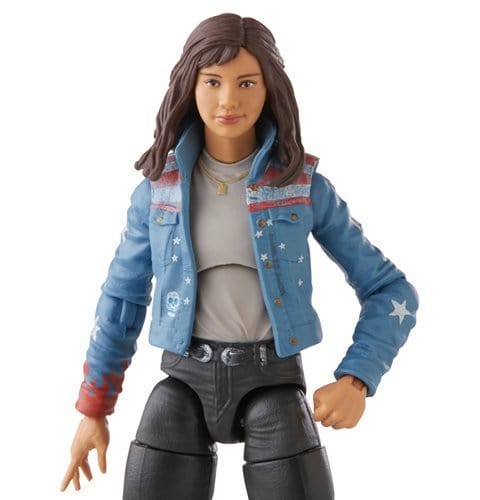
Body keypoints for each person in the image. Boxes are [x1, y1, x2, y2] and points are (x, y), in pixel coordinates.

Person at [61, 12, 418, 500]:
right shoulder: (159, 192)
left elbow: (391, 290)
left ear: (269, 89)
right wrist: (93, 408)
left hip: (273, 382)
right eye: (213, 82)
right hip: (183, 382)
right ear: (190, 86)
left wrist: (356, 379)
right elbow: (121, 300)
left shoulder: (300, 189)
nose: (228, 100)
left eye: (246, 82)